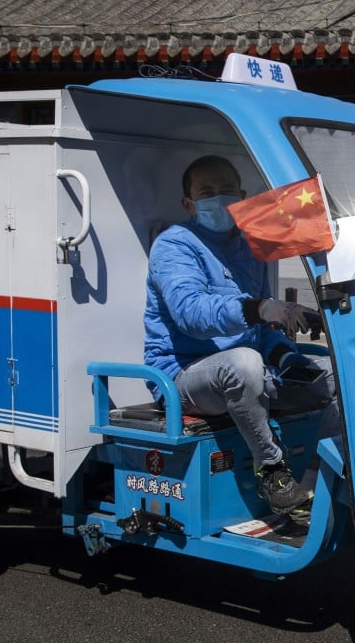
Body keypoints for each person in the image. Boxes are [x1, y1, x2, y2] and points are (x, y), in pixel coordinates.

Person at [143, 155, 338, 515]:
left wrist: (286, 357)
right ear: (188, 204)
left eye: (227, 190)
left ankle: (320, 476)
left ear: (242, 194)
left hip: (246, 373)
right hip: (182, 376)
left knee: (335, 379)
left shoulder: (251, 247)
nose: (218, 198)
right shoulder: (174, 245)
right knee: (245, 364)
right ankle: (271, 469)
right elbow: (190, 314)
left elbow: (260, 330)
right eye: (207, 192)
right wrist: (259, 307)